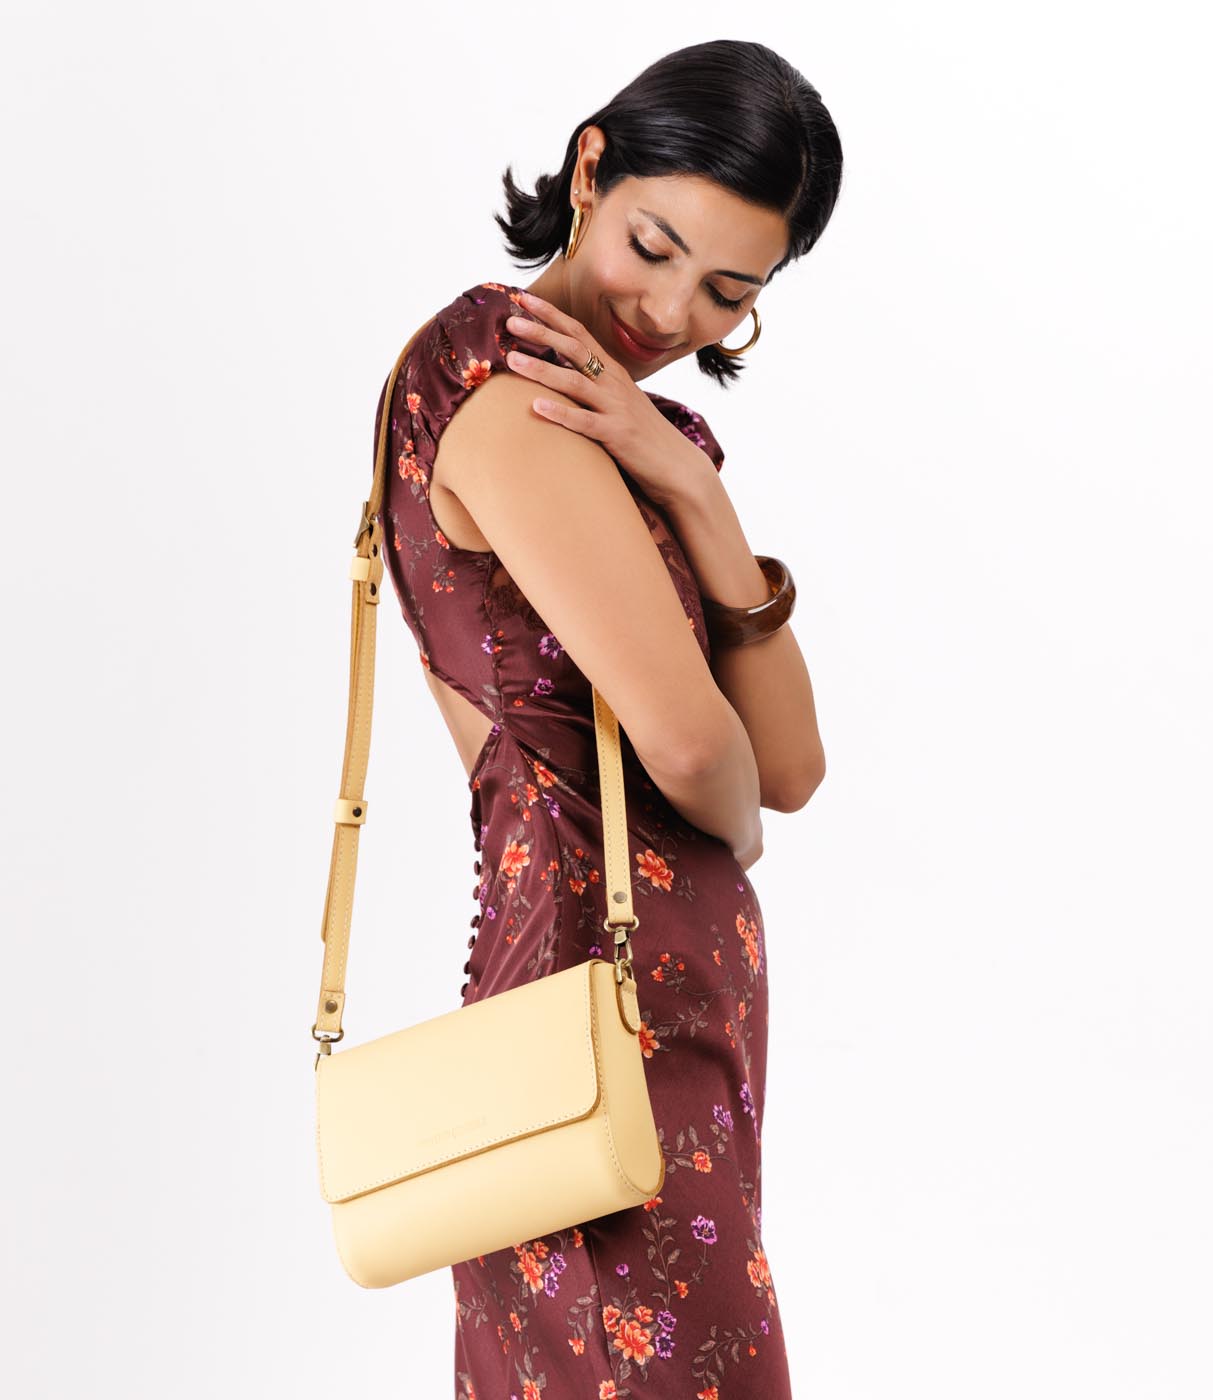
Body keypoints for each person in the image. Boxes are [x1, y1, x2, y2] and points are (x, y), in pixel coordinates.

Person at [372, 38, 841, 1400]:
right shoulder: (501, 383)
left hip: (671, 1006)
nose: (671, 309)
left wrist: (695, 496)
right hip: (593, 998)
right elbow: (705, 759)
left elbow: (789, 766)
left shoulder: (645, 435)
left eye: (729, 292)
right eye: (654, 244)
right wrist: (726, 806)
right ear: (591, 168)